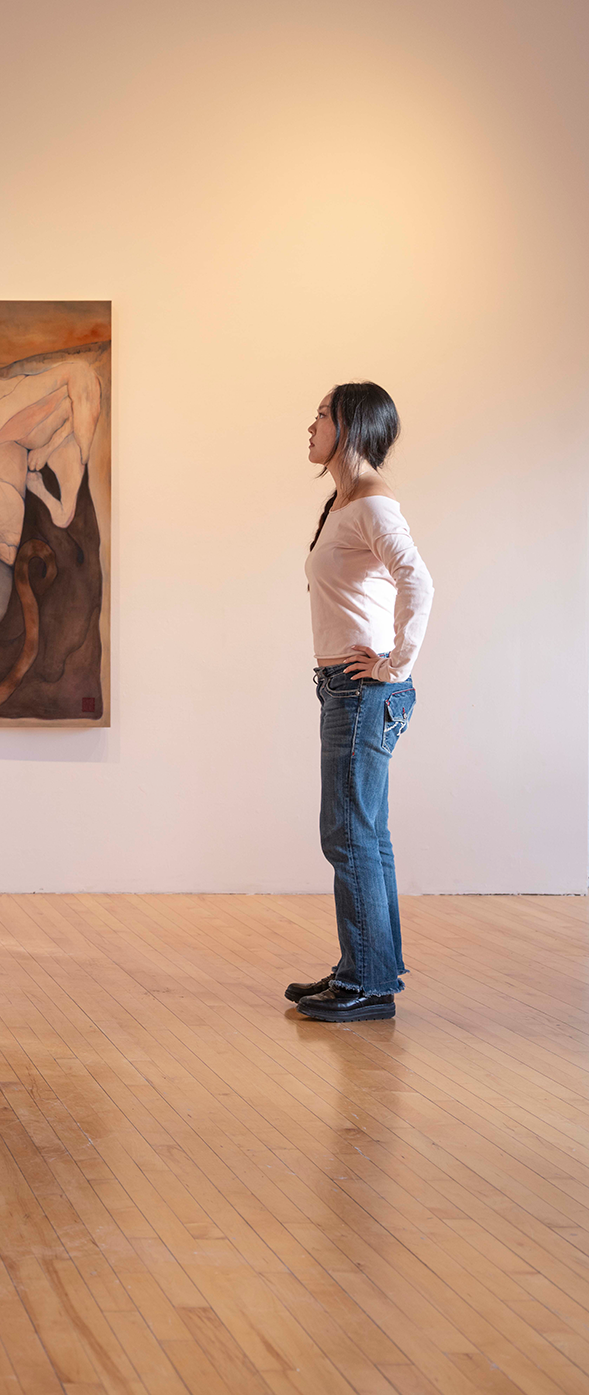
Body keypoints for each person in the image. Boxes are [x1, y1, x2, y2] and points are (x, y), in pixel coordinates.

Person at [288, 382, 433, 1022]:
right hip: (347, 690)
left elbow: (418, 582)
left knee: (348, 834)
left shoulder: (373, 506)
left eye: (321, 414)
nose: (310, 424)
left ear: (349, 425)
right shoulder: (345, 503)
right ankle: (366, 969)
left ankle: (367, 985)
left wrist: (394, 661)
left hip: (362, 692)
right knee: (364, 834)